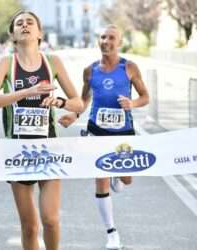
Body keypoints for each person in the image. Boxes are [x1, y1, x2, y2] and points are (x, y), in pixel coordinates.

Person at [0, 11, 83, 250]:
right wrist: (26, 92)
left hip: (49, 149)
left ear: (39, 33)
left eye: (30, 22)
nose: (25, 25)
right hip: (18, 153)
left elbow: (78, 103)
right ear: (13, 35)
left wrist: (59, 102)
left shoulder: (53, 63)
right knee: (29, 226)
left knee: (51, 219)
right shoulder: (7, 64)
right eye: (19, 23)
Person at [59, 25, 149, 249]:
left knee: (126, 180)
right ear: (98, 40)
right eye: (103, 37)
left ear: (119, 42)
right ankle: (111, 234)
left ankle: (118, 177)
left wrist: (133, 103)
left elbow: (145, 96)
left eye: (111, 38)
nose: (106, 41)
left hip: (123, 131)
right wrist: (74, 115)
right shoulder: (90, 71)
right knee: (100, 178)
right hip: (96, 130)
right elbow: (84, 99)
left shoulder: (129, 68)